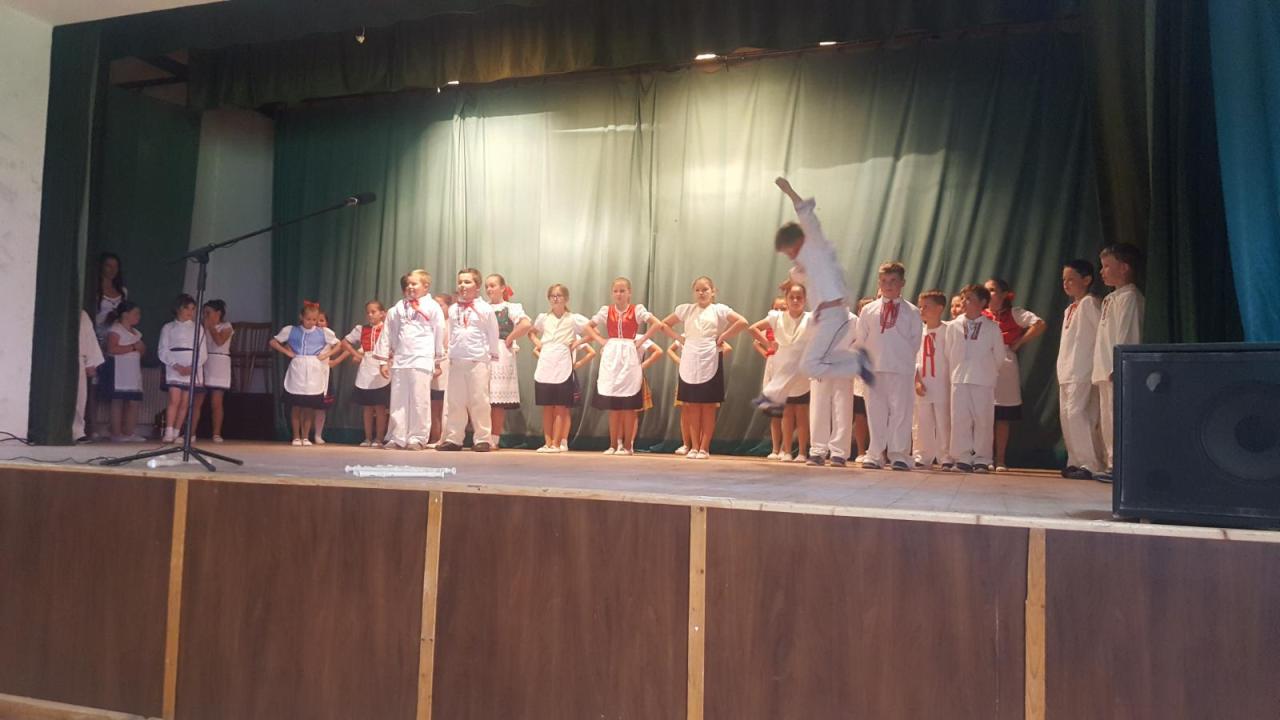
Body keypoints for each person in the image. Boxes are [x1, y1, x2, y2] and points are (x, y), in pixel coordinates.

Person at [754, 177, 873, 415]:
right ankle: (772, 396)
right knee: (795, 352)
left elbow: (805, 212)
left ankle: (856, 363)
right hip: (821, 316)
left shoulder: (816, 244)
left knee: (810, 365)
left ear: (799, 241)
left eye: (789, 250)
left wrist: (789, 190)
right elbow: (799, 274)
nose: (790, 255)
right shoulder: (802, 263)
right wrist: (791, 279)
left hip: (834, 314)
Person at [659, 276, 748, 460]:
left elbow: (742, 322)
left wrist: (722, 337)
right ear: (694, 292)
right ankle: (693, 446)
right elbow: (663, 324)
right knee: (692, 405)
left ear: (713, 291)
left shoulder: (719, 310)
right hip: (690, 359)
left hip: (710, 358)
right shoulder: (686, 309)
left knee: (708, 406)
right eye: (698, 290)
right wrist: (680, 338)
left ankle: (704, 448)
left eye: (705, 289)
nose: (701, 293)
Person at [587, 277, 672, 455]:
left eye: (622, 291)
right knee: (613, 405)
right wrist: (601, 340)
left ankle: (628, 445)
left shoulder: (636, 310)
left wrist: (641, 340)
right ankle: (613, 444)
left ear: (629, 293)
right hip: (612, 355)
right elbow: (588, 326)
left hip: (628, 354)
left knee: (628, 405)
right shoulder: (606, 311)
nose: (619, 294)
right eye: (616, 291)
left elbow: (657, 323)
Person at [854, 263, 923, 470]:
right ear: (879, 283)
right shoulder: (869, 310)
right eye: (884, 281)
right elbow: (861, 339)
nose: (888, 285)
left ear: (902, 283)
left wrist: (901, 360)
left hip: (901, 368)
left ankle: (898, 454)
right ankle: (875, 454)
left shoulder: (912, 312)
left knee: (901, 412)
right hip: (875, 368)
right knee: (875, 412)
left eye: (893, 281)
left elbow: (915, 341)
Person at [377, 270, 448, 450]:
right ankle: (397, 436)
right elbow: (388, 333)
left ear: (426, 286)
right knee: (398, 400)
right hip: (401, 359)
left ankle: (417, 438)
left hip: (422, 358)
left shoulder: (432, 307)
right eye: (408, 284)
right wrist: (383, 360)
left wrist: (437, 360)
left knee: (419, 399)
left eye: (414, 284)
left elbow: (439, 331)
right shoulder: (397, 308)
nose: (410, 287)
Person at [1092, 243, 1144, 483]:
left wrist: (1120, 364)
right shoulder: (1111, 298)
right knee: (1108, 419)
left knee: (1119, 418)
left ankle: (1122, 466)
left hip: (1117, 370)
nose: (1102, 271)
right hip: (1105, 369)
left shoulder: (1130, 297)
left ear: (1124, 268)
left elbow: (1127, 333)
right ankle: (1113, 463)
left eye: (1106, 266)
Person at [983, 278, 1046, 471]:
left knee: (1002, 415)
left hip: (1005, 366)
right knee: (982, 415)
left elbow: (1039, 324)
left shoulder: (1014, 313)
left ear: (1004, 294)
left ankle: (1000, 459)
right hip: (982, 364)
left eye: (992, 290)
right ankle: (983, 458)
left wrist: (1019, 342)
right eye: (986, 290)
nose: (988, 293)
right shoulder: (979, 314)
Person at [438, 268, 501, 452]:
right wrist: (450, 353)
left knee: (479, 401)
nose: (463, 286)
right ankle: (454, 438)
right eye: (460, 282)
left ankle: (482, 439)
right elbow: (451, 333)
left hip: (477, 361)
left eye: (467, 282)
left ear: (477, 286)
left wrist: (492, 355)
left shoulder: (485, 309)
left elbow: (493, 333)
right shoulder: (453, 309)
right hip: (457, 360)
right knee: (455, 402)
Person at [747, 282, 811, 462]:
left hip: (802, 372)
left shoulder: (810, 318)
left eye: (799, 297)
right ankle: (786, 451)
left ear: (805, 300)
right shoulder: (776, 318)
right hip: (782, 369)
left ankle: (802, 452)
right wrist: (768, 344)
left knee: (802, 413)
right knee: (787, 412)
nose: (795, 301)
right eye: (792, 297)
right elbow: (753, 328)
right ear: (787, 299)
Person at [945, 284, 1005, 472]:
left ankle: (982, 458)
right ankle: (962, 457)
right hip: (959, 378)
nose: (964, 302)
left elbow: (999, 355)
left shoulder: (992, 327)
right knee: (960, 419)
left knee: (983, 419)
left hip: (983, 379)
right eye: (963, 298)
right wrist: (957, 371)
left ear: (983, 302)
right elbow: (948, 352)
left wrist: (988, 372)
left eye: (969, 298)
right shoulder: (953, 326)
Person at [529, 284, 594, 453]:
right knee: (546, 406)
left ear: (566, 298)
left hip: (563, 362)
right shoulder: (543, 318)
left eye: (559, 295)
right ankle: (547, 442)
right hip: (546, 362)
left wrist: (577, 343)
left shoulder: (573, 319)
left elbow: (592, 332)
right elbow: (531, 332)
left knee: (560, 406)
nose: (555, 299)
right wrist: (540, 344)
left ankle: (557, 443)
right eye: (552, 296)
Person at [1056, 260, 1104, 480]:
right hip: (1066, 370)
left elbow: (1100, 335)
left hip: (1083, 369)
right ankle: (1075, 460)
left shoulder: (1090, 303)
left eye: (1071, 279)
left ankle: (1090, 463)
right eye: (1064, 280)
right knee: (1067, 416)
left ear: (1086, 280)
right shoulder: (1069, 309)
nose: (1066, 283)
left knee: (1079, 415)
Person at [269, 301, 338, 446]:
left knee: (309, 406)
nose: (311, 322)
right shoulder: (292, 330)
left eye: (314, 319)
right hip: (298, 367)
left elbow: (339, 344)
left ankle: (306, 437)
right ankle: (296, 436)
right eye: (308, 319)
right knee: (296, 406)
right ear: (301, 317)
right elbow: (273, 342)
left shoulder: (323, 332)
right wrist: (287, 352)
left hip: (314, 368)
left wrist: (326, 355)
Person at [484, 274, 532, 445]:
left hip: (501, 354)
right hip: (483, 352)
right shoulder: (483, 307)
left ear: (502, 288)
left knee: (497, 400)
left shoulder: (511, 307)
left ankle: (494, 438)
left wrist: (510, 338)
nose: (489, 289)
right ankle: (482, 436)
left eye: (493, 285)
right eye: (487, 286)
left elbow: (526, 324)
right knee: (482, 397)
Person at [158, 294, 209, 444]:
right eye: (187, 308)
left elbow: (203, 351)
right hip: (175, 367)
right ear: (178, 308)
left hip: (191, 366)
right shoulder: (168, 327)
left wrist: (193, 367)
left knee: (185, 402)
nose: (190, 312)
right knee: (174, 399)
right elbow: (163, 349)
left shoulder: (198, 328)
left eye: (193, 309)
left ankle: (177, 431)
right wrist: (175, 365)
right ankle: (168, 430)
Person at [344, 300, 393, 448]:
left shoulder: (387, 329)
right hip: (366, 368)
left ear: (382, 313)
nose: (370, 315)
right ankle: (367, 437)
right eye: (368, 312)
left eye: (374, 312)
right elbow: (345, 342)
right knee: (367, 407)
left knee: (380, 407)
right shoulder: (362, 329)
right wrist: (357, 354)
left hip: (381, 367)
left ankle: (379, 438)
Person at [913, 290, 952, 469]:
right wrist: (917, 380)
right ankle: (922, 455)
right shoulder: (917, 332)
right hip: (923, 382)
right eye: (920, 306)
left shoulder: (948, 331)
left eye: (926, 307)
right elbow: (914, 358)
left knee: (944, 421)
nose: (922, 310)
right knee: (922, 421)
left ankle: (946, 456)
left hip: (943, 383)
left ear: (939, 308)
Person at [104, 301, 146, 442]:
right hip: (119, 371)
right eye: (136, 313)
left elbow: (141, 351)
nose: (138, 316)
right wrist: (133, 347)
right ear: (125, 314)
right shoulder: (116, 330)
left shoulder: (137, 333)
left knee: (133, 402)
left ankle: (129, 432)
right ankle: (116, 433)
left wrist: (140, 349)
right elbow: (112, 349)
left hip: (133, 371)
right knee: (118, 401)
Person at [754, 296, 787, 459]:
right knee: (774, 412)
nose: (779, 312)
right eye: (776, 308)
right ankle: (775, 448)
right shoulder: (768, 325)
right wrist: (768, 352)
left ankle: (785, 448)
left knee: (788, 412)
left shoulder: (792, 325)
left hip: (788, 366)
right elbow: (756, 342)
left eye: (783, 308)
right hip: (772, 367)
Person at [201, 300, 234, 443]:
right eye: (204, 313)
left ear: (218, 313)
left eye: (208, 313)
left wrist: (211, 327)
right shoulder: (202, 327)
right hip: (205, 360)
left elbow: (219, 342)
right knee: (197, 400)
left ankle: (216, 433)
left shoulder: (226, 326)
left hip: (220, 362)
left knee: (216, 401)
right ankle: (191, 432)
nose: (205, 316)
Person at [73, 310, 104, 442]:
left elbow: (88, 337)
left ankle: (77, 431)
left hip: (78, 358)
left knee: (79, 396)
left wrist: (91, 362)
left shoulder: (81, 314)